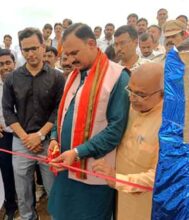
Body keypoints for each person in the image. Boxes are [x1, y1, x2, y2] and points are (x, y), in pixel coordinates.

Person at [47, 23, 130, 220]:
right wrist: (53, 138)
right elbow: (63, 113)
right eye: (66, 54)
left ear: (92, 43)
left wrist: (78, 152)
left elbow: (116, 130)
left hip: (93, 172)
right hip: (65, 168)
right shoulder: (73, 75)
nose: (70, 59)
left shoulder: (118, 76)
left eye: (74, 52)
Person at [2, 27, 65, 220]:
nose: (30, 54)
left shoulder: (56, 77)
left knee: (53, 186)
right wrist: (26, 138)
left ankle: (56, 216)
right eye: (25, 49)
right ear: (20, 50)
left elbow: (59, 109)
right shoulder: (12, 78)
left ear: (43, 46)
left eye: (34, 48)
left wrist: (40, 135)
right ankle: (29, 216)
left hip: (48, 141)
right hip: (21, 141)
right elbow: (7, 111)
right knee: (22, 188)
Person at [92, 62, 163, 220]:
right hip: (121, 196)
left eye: (140, 94)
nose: (132, 98)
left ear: (162, 93)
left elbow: (160, 175)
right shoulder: (130, 109)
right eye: (130, 90)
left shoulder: (167, 127)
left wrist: (119, 179)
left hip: (147, 203)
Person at [0, 49, 17, 220]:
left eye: (8, 63)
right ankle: (11, 204)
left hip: (25, 136)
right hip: (4, 136)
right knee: (6, 171)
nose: (5, 67)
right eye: (0, 64)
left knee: (25, 172)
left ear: (14, 63)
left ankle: (29, 205)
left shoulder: (23, 81)